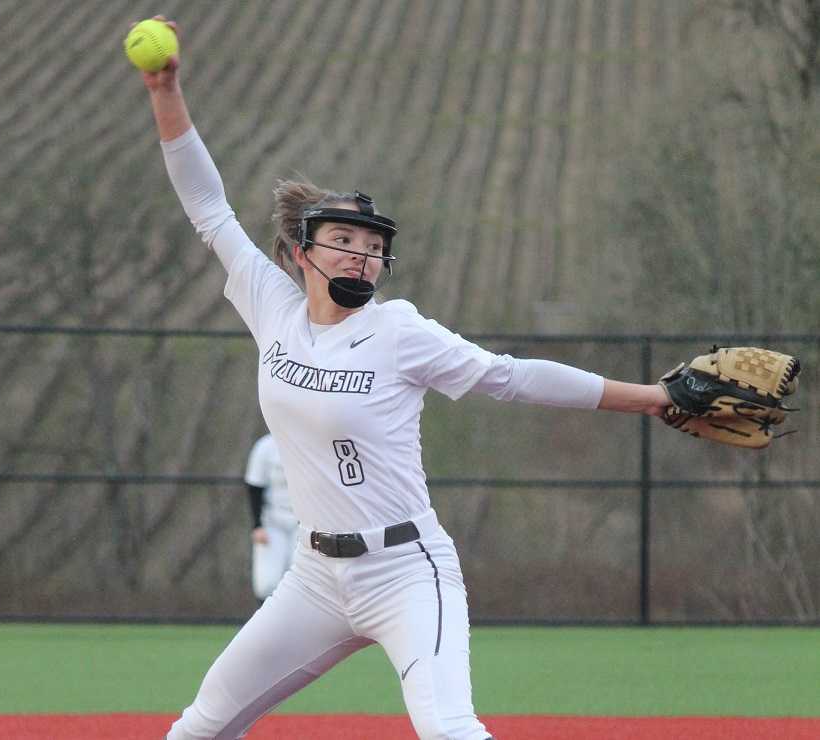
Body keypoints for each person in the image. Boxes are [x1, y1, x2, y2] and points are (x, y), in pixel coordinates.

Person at [137, 18, 672, 740]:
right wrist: (166, 92)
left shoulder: (399, 332)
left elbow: (512, 378)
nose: (363, 255)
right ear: (302, 252)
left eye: (374, 246)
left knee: (450, 728)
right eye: (345, 240)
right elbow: (207, 207)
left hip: (406, 572)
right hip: (314, 579)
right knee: (198, 728)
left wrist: (653, 399)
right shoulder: (272, 306)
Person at [244, 432, 298, 605]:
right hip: (272, 523)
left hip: (303, 523)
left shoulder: (306, 441)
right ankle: (269, 627)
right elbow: (254, 486)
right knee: (267, 582)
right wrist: (257, 525)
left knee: (300, 579)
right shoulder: (265, 446)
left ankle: (297, 628)